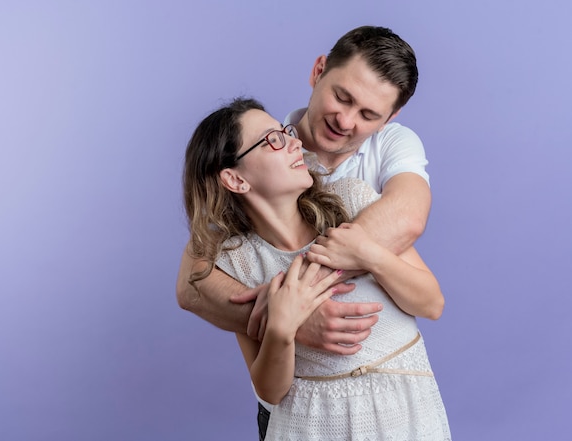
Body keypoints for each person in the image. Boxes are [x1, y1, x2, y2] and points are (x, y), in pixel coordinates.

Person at [176, 25, 433, 434]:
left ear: (390, 118)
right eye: (342, 97)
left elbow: (408, 216)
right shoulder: (263, 147)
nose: (345, 120)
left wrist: (302, 290)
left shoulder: (385, 155)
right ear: (318, 71)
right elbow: (193, 283)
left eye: (369, 114)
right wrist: (289, 319)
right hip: (302, 408)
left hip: (394, 397)